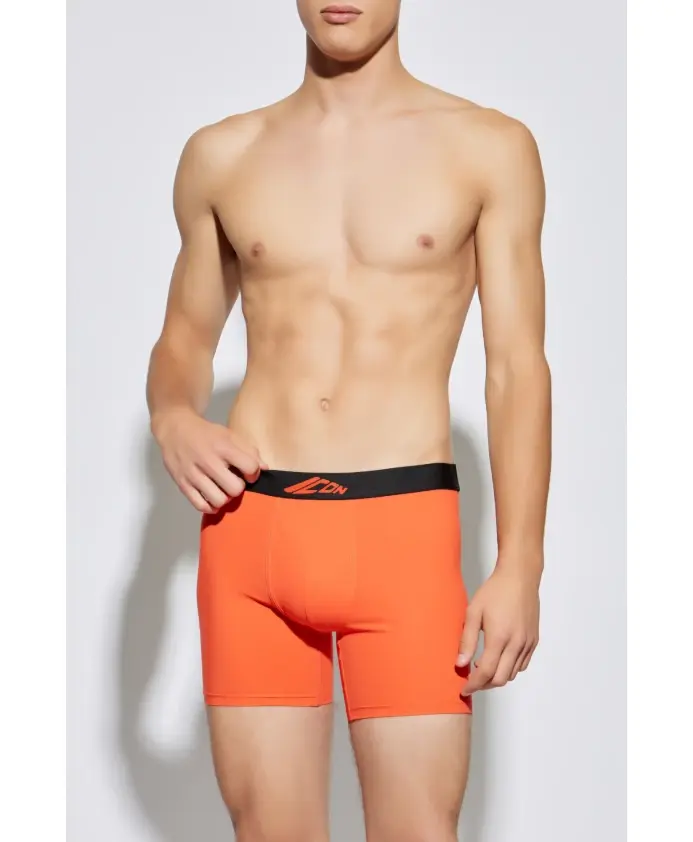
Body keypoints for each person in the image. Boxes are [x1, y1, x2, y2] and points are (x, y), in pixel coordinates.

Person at [146, 1, 551, 839]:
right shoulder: (223, 155)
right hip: (251, 535)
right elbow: (183, 340)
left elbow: (515, 368)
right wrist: (172, 415)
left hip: (403, 535)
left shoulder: (487, 148)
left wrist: (520, 562)